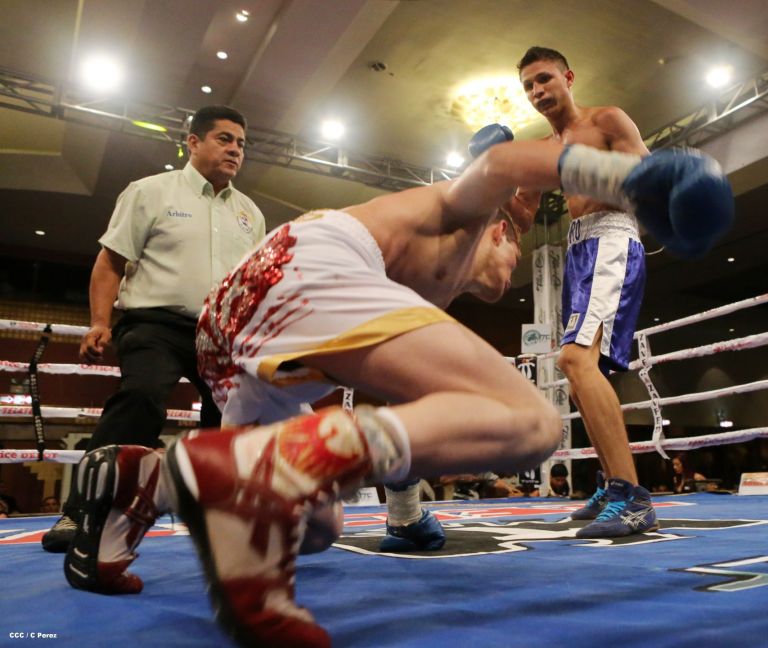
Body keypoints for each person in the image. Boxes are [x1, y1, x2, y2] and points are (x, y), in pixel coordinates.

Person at [62, 127, 733, 646]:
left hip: (232, 317)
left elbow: (401, 418)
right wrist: (633, 175)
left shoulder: (406, 302)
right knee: (529, 423)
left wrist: (404, 512)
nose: (513, 271)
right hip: (306, 264)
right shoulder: (466, 216)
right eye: (514, 252)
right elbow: (499, 167)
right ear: (500, 229)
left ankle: (143, 480)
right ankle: (242, 467)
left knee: (315, 525)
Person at [42, 105, 267, 553]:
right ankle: (84, 509)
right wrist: (100, 322)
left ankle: (221, 512)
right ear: (194, 142)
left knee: (235, 417)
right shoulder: (150, 192)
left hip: (222, 334)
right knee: (142, 397)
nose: (235, 150)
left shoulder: (251, 214)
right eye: (224, 139)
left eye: (241, 143)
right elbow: (110, 261)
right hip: (155, 323)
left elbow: (254, 285)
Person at [518, 46, 654, 538]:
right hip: (577, 251)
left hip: (614, 237)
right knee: (578, 371)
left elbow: (649, 181)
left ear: (568, 77)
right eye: (529, 86)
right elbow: (522, 214)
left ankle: (632, 495)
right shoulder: (542, 148)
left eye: (544, 79)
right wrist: (493, 184)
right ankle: (612, 486)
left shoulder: (607, 120)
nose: (537, 92)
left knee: (576, 360)